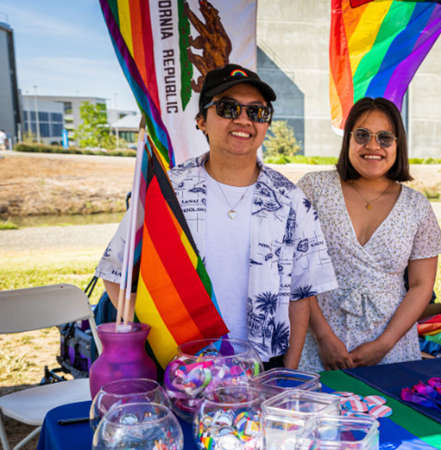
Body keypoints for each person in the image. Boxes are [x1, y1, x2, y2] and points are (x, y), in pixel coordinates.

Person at [96, 64, 337, 369]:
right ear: (201, 121)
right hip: (182, 366)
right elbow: (115, 272)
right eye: (228, 108)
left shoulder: (290, 199)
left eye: (257, 112)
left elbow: (301, 295)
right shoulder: (167, 192)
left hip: (265, 366)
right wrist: (151, 340)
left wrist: (287, 372)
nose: (243, 120)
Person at [296, 98, 441, 371]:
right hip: (319, 345)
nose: (373, 146)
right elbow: (297, 270)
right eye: (362, 135)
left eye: (385, 138)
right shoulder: (313, 189)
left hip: (392, 349)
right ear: (348, 140)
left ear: (398, 144)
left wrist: (384, 344)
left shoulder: (417, 206)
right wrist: (324, 337)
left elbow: (421, 286)